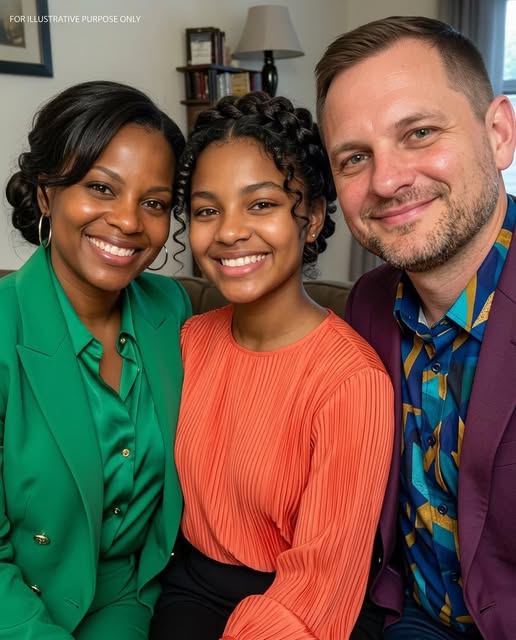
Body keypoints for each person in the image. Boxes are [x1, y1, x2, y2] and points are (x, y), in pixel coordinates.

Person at [150, 92, 394, 640]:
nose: (229, 231)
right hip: (191, 585)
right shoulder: (187, 341)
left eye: (260, 204)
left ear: (313, 218)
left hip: (311, 604)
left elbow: (323, 581)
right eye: (207, 210)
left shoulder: (352, 381)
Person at [315, 15, 516, 640]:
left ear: (499, 134)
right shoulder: (368, 305)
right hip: (407, 617)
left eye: (420, 133)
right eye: (355, 158)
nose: (386, 180)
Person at [0, 81, 191, 639]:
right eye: (102, 188)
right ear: (46, 193)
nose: (129, 222)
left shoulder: (172, 310)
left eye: (154, 203)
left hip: (133, 598)